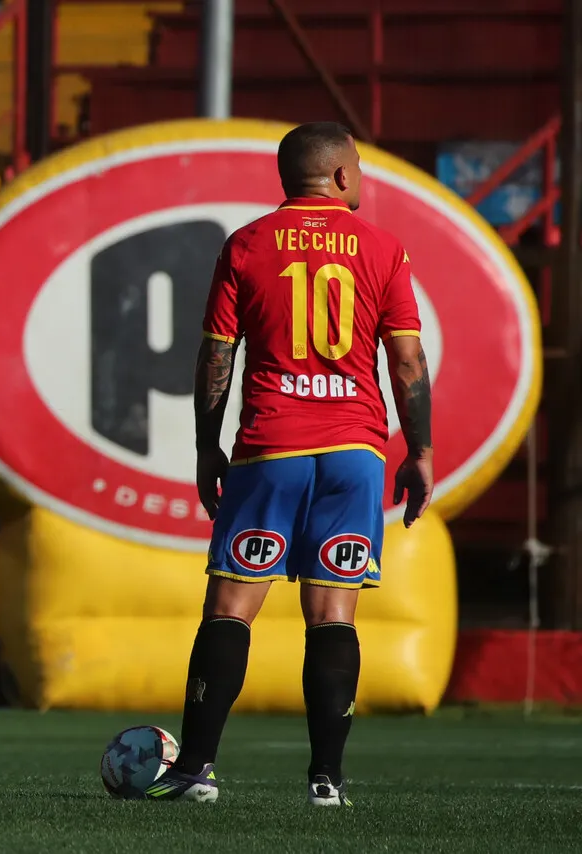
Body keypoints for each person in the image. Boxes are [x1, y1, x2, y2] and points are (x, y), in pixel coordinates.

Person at [145, 123, 434, 807]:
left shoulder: (246, 245)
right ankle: (326, 782)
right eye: (357, 169)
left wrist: (204, 444)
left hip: (270, 449)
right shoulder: (385, 249)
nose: (360, 179)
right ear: (338, 176)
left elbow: (217, 354)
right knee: (333, 614)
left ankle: (196, 772)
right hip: (355, 455)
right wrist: (418, 450)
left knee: (231, 607)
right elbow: (408, 361)